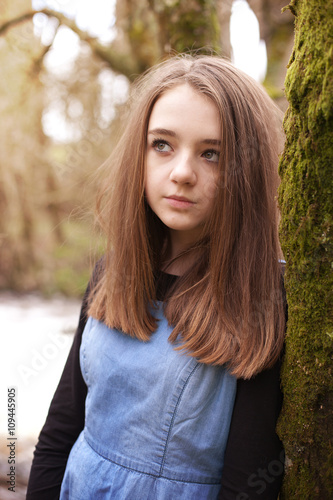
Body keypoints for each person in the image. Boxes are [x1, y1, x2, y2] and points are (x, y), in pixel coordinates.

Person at [26, 54, 287, 500]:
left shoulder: (262, 297)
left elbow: (249, 483)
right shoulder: (113, 271)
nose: (182, 172)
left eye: (212, 154)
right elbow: (60, 430)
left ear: (249, 171)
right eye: (162, 145)